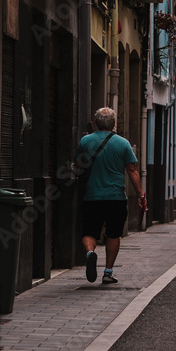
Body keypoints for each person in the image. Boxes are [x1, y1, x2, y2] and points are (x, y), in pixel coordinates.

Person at [75, 107, 146, 285]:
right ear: (114, 123)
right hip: (116, 197)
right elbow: (132, 170)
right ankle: (107, 272)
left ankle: (90, 253)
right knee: (113, 234)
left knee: (89, 232)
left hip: (92, 197)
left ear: (95, 123)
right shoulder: (123, 143)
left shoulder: (86, 141)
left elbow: (77, 165)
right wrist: (140, 194)